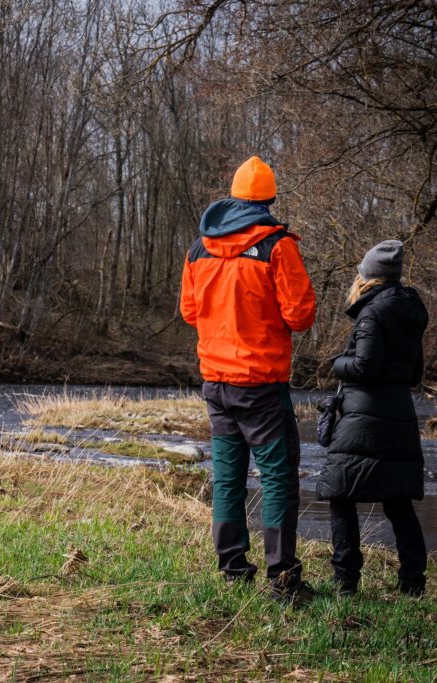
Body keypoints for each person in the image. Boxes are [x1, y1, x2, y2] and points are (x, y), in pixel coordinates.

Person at [180, 156, 317, 603]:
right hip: (260, 382)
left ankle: (233, 568)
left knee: (227, 477)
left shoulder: (200, 248)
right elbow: (300, 316)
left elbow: (189, 312)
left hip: (216, 381)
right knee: (277, 477)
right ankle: (282, 578)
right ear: (270, 199)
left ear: (235, 196)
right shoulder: (277, 245)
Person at [316, 240, 429, 597]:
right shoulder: (409, 312)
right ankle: (413, 584)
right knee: (398, 502)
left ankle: (345, 582)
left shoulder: (372, 313)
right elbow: (414, 374)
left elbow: (364, 365)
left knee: (340, 496)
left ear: (369, 277)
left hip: (364, 418)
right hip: (398, 416)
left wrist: (337, 363)